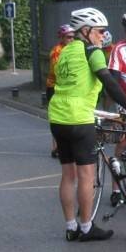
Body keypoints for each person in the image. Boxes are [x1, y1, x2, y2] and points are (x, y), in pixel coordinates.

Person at [48, 8, 126, 242]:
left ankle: (71, 227)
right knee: (86, 175)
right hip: (79, 118)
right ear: (86, 31)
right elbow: (109, 82)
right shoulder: (92, 51)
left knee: (67, 174)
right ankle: (87, 227)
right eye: (99, 31)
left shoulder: (65, 51)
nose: (103, 35)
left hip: (57, 117)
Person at [47, 23, 75, 157]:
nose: (72, 39)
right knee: (56, 117)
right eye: (69, 37)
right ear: (62, 38)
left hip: (68, 87)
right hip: (54, 86)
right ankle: (56, 147)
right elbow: (57, 70)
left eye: (73, 37)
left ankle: (68, 144)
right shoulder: (57, 51)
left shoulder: (73, 49)